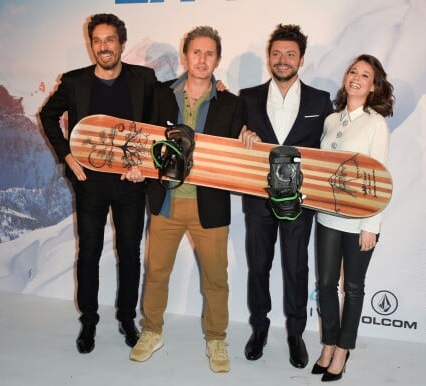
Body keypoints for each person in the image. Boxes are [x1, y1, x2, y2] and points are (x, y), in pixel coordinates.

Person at [39, 13, 157, 354]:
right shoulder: (75, 82)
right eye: (97, 41)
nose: (104, 47)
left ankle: (126, 318)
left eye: (110, 40)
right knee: (89, 252)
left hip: (130, 183)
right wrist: (67, 156)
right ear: (91, 45)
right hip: (88, 183)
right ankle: (89, 321)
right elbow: (47, 116)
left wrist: (143, 166)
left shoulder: (144, 79)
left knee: (130, 254)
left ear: (121, 43)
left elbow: (158, 124)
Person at [128, 26, 242, 373]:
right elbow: (142, 139)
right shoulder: (160, 95)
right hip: (166, 202)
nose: (202, 59)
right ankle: (151, 331)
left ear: (217, 59)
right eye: (196, 52)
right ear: (185, 55)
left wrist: (248, 137)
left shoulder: (232, 103)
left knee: (215, 278)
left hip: (210, 206)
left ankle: (216, 338)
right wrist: (137, 167)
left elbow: (240, 150)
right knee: (157, 272)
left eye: (209, 53)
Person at [238, 24, 332, 368]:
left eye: (290, 54)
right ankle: (259, 329)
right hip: (258, 199)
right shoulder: (246, 97)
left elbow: (328, 150)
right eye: (276, 53)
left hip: (300, 203)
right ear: (269, 58)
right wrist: (242, 133)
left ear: (301, 59)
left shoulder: (320, 101)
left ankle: (295, 334)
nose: (282, 60)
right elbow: (233, 139)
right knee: (258, 267)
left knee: (296, 268)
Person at [311, 54, 394, 382]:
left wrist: (371, 226)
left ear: (374, 86)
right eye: (353, 72)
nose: (356, 78)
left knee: (354, 288)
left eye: (365, 75)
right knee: (327, 286)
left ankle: (343, 350)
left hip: (360, 222)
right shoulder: (332, 120)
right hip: (328, 217)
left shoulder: (375, 123)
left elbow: (380, 179)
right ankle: (329, 342)